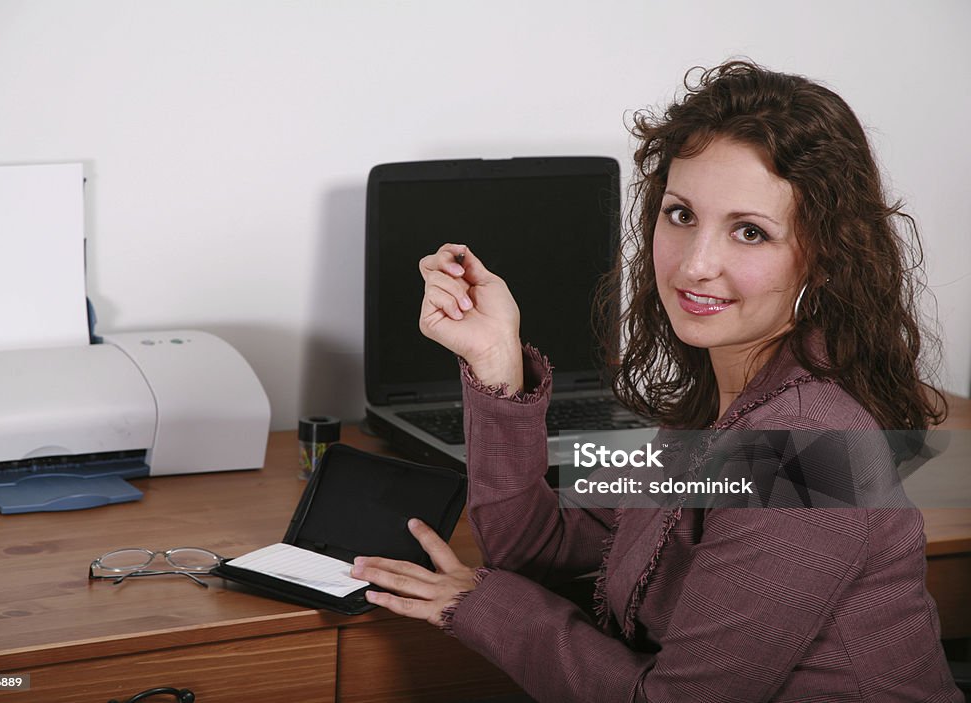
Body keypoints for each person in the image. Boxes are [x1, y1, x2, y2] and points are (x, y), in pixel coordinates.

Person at [350, 60, 962, 701]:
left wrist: (480, 606)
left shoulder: (806, 444)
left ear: (826, 256)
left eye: (750, 232)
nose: (696, 264)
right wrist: (496, 361)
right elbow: (539, 547)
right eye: (680, 215)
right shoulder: (720, 406)